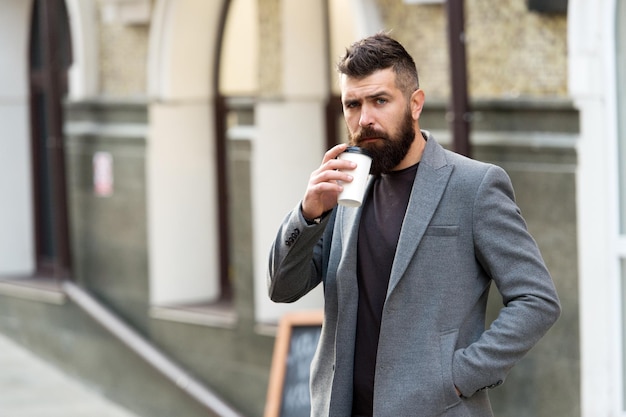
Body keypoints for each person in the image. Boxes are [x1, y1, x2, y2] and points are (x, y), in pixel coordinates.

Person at [267, 32, 560, 417]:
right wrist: (309, 214)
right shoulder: (343, 187)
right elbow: (282, 289)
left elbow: (537, 300)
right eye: (352, 105)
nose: (365, 118)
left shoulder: (474, 186)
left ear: (415, 103)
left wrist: (459, 375)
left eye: (380, 101)